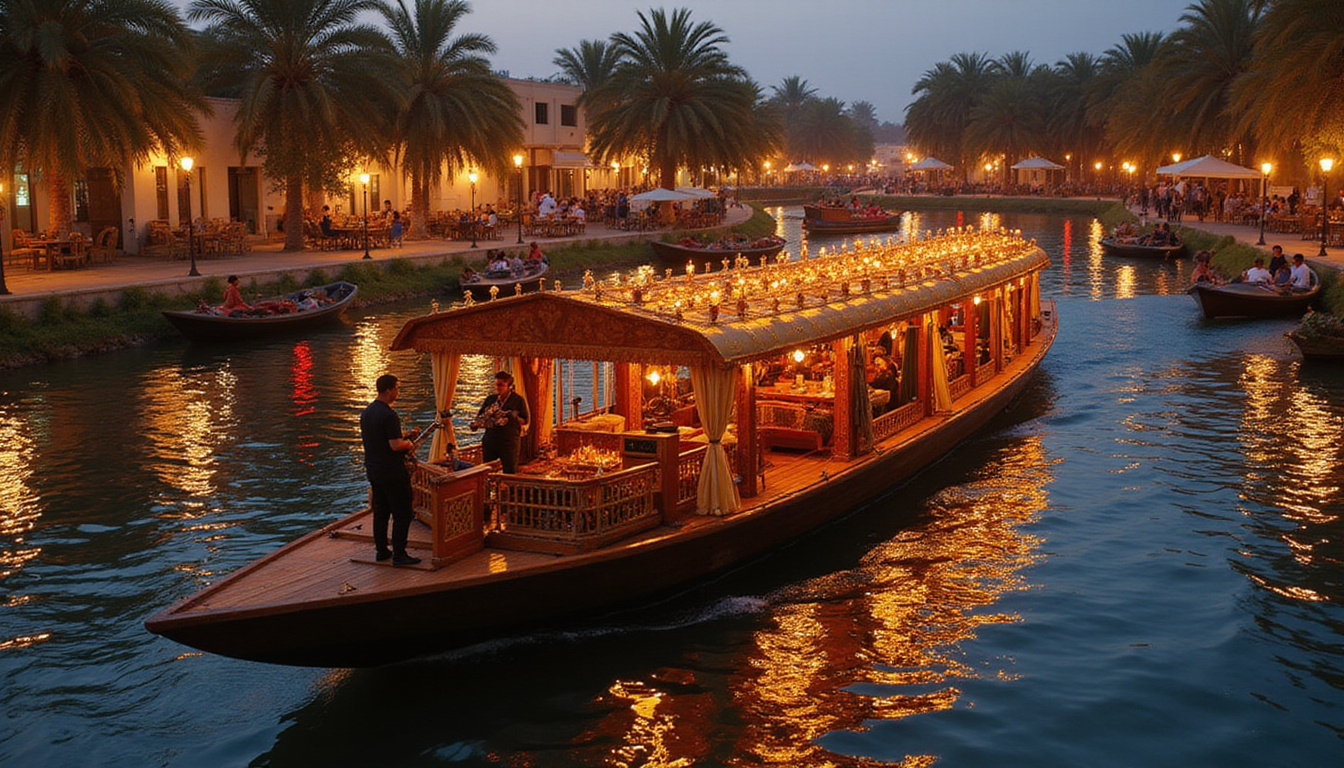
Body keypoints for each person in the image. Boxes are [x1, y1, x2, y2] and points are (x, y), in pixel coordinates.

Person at [359, 374, 421, 566]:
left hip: (374, 469)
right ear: (388, 390)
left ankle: (381, 550)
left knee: (381, 511)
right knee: (402, 513)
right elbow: (395, 445)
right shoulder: (389, 414)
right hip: (392, 471)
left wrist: (404, 434)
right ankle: (399, 554)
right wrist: (409, 443)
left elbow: (382, 436)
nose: (397, 392)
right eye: (397, 388)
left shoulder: (367, 412)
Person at [472, 370, 529, 473]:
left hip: (509, 442)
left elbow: (525, 420)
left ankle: (509, 489)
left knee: (510, 471)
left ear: (508, 386)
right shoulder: (491, 399)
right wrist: (476, 425)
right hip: (491, 441)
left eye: (501, 385)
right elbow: (480, 417)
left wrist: (513, 417)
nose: (498, 388)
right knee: (488, 471)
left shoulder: (517, 400)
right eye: (496, 385)